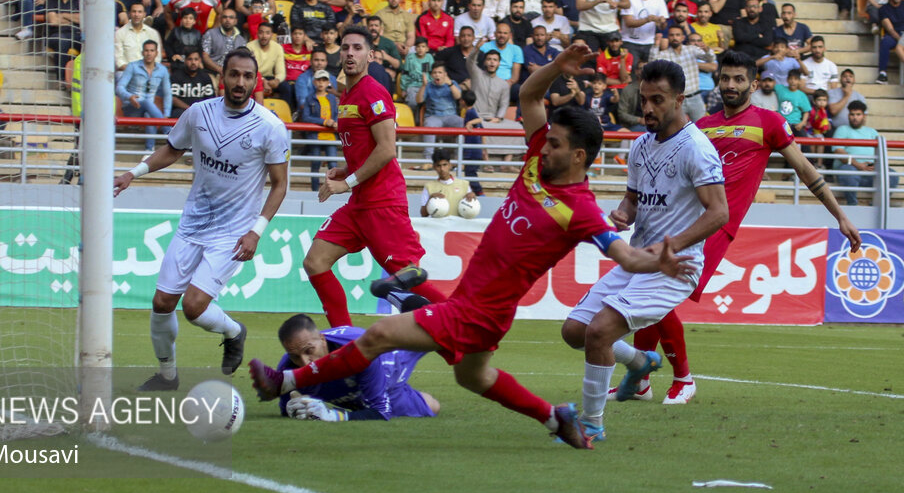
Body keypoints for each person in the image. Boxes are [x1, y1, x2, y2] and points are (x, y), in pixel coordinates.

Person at [250, 42, 696, 450]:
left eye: (556, 143)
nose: (544, 146)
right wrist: (558, 67)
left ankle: (283, 381)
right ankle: (554, 417)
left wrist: (659, 258)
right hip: (479, 305)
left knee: (379, 336)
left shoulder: (580, 210)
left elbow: (624, 255)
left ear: (578, 156)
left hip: (479, 311)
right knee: (473, 377)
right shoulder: (541, 156)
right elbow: (528, 98)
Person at [620, 50, 860, 404]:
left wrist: (839, 215)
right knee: (650, 295)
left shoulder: (769, 122)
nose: (730, 85)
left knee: (658, 295)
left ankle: (683, 378)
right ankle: (639, 381)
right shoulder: (701, 127)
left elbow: (805, 170)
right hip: (678, 222)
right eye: (725, 78)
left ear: (753, 83)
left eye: (738, 79)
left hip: (716, 225)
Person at [559, 59, 727, 438]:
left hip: (675, 266)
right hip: (638, 261)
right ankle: (638, 362)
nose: (647, 108)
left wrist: (672, 246)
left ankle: (590, 424)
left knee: (600, 332)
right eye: (644, 98)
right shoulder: (640, 146)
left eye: (658, 100)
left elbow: (719, 213)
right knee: (574, 331)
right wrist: (621, 214)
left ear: (679, 100)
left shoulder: (697, 149)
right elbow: (633, 202)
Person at [115, 49, 287, 389]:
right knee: (162, 302)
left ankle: (234, 331)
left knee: (193, 307)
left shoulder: (270, 127)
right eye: (234, 74)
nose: (240, 82)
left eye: (247, 76)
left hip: (233, 233)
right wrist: (134, 173)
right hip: (193, 224)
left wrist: (256, 232)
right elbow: (173, 149)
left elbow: (280, 185)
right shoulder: (198, 113)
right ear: (221, 76)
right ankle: (167, 376)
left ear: (256, 81)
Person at [297, 27, 451, 328]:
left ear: (370, 55)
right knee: (315, 261)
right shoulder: (347, 94)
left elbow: (387, 149)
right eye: (345, 48)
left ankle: (466, 323)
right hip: (359, 204)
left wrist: (346, 182)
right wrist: (346, 169)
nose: (350, 53)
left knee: (408, 279)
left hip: (382, 202)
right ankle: (343, 339)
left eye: (357, 48)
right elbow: (365, 147)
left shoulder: (373, 91)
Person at [276, 314, 440, 421]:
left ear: (322, 339)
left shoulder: (360, 354)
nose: (305, 362)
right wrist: (292, 408)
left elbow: (381, 412)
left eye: (309, 351)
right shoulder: (288, 370)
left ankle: (405, 298)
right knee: (433, 406)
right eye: (296, 356)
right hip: (362, 392)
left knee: (439, 333)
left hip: (390, 363)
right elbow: (289, 405)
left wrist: (333, 416)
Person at [831, 102, 898, 204]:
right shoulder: (842, 129)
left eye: (858, 114)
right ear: (848, 115)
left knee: (892, 175)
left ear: (864, 116)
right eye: (852, 114)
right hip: (851, 168)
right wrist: (858, 165)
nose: (855, 118)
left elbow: (879, 152)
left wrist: (874, 165)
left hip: (870, 170)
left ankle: (876, 204)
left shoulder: (872, 132)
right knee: (848, 171)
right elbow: (838, 151)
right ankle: (853, 204)